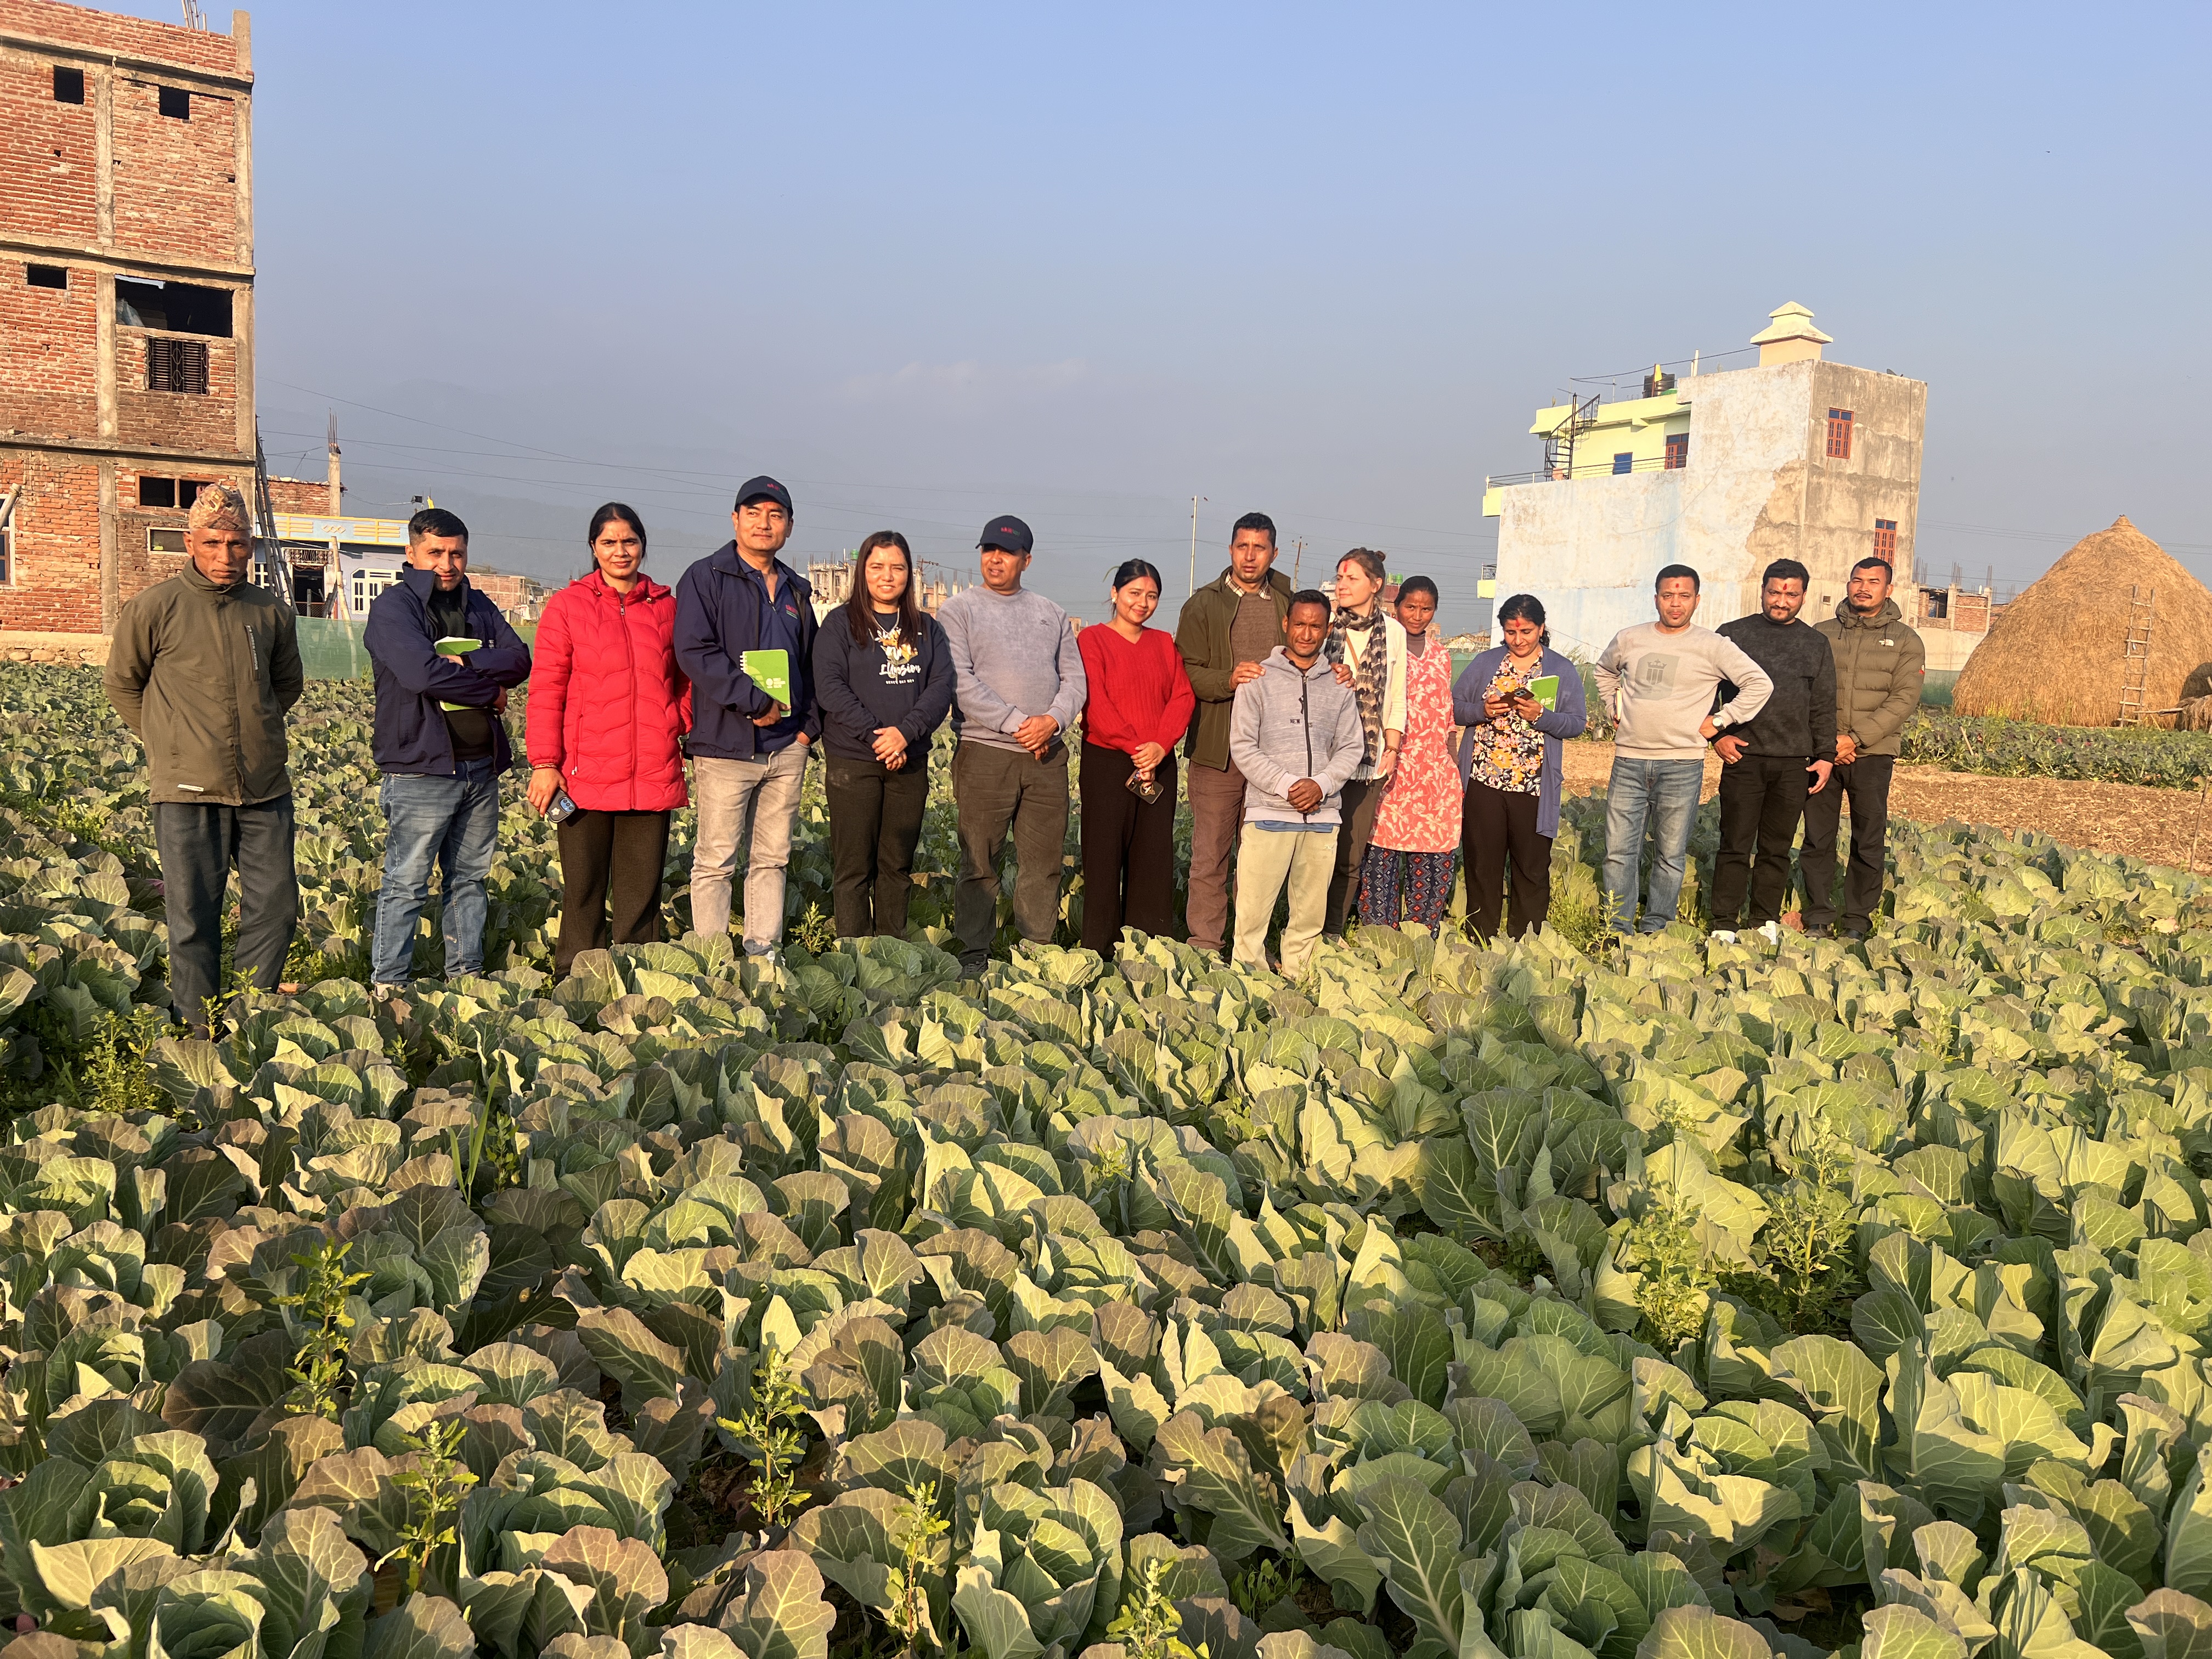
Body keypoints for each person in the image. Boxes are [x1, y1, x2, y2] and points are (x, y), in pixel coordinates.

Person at [105, 482, 303, 1031]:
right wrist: (169, 744)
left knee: (277, 908)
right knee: (193, 915)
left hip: (264, 787)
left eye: (237, 544)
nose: (225, 556)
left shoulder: (270, 611)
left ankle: (246, 1014)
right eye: (213, 542)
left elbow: (287, 686)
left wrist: (257, 733)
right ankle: (197, 1025)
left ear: (251, 545)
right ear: (190, 542)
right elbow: (124, 683)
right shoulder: (155, 607)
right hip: (187, 788)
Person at [364, 507, 534, 988]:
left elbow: (519, 660)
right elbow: (421, 674)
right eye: (435, 552)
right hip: (421, 768)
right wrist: (490, 689)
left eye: (456, 553)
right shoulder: (394, 608)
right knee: (406, 882)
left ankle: (466, 975)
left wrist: (467, 660)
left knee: (470, 880)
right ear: (412, 553)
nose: (447, 563)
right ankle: (391, 982)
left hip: (480, 768)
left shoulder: (478, 604)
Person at [525, 504, 690, 977]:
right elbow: (547, 689)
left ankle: (637, 990)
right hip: (583, 776)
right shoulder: (567, 607)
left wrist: (673, 722)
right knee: (583, 890)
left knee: (642, 895)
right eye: (609, 542)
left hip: (651, 772)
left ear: (643, 545)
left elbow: (685, 682)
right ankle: (576, 987)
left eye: (630, 541)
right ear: (593, 548)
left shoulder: (667, 607)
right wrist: (544, 762)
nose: (621, 551)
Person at [674, 476, 819, 956]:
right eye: (753, 513)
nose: (764, 523)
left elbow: (813, 662)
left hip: (786, 748)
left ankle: (763, 955)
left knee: (772, 860)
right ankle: (711, 962)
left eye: (775, 515)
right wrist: (754, 701)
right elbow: (695, 652)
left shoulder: (798, 590)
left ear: (790, 528)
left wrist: (807, 730)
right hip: (725, 744)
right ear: (735, 519)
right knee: (716, 859)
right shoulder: (705, 577)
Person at [936, 515, 1086, 975]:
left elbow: (1075, 680)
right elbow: (960, 682)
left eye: (1006, 552)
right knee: (979, 861)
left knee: (1043, 862)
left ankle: (1034, 955)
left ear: (1026, 560)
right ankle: (972, 956)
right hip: (986, 752)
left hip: (1046, 757)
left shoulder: (1051, 612)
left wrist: (1053, 721)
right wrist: (1022, 724)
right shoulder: (958, 611)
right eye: (988, 551)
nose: (995, 559)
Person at [1593, 565, 1773, 934]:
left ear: (1697, 600)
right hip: (1629, 760)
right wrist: (1614, 707)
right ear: (1656, 598)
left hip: (1682, 764)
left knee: (1670, 855)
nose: (1675, 604)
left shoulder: (1713, 645)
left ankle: (1656, 926)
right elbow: (1604, 672)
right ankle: (1616, 928)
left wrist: (1721, 721)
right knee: (1617, 853)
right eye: (1668, 596)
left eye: (1684, 596)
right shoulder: (1630, 638)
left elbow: (1759, 683)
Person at [812, 530, 954, 939]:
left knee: (897, 865)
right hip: (853, 762)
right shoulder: (840, 625)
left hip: (908, 762)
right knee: (854, 867)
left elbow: (940, 687)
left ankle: (889, 953)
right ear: (862, 572)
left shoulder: (927, 629)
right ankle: (854, 957)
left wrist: (905, 735)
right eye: (877, 567)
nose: (887, 576)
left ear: (910, 574)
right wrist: (878, 737)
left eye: (897, 568)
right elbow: (830, 687)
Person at [1229, 591, 1367, 978]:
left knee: (1309, 915)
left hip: (1322, 817)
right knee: (1252, 913)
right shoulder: (1258, 680)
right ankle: (1248, 982)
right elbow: (1242, 745)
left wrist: (1321, 785)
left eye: (1316, 626)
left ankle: (1298, 978)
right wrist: (1288, 784)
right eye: (1300, 624)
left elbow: (1351, 746)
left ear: (1327, 630)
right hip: (1269, 812)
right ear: (1286, 625)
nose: (1307, 633)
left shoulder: (1339, 685)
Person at [1174, 512, 1292, 958]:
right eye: (1242, 547)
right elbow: (1185, 674)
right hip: (1217, 749)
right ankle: (1205, 946)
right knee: (1210, 856)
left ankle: (1248, 946)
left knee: (1258, 859)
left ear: (1273, 554)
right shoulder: (1203, 604)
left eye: (1259, 548)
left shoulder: (1288, 602)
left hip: (1274, 752)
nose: (1249, 556)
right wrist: (1228, 680)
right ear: (1230, 550)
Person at [1802, 555, 1926, 939]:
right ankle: (1818, 917)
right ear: (1848, 584)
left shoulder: (1906, 640)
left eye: (1873, 581)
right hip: (1822, 753)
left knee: (1867, 838)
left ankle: (1857, 920)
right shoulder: (1819, 633)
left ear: (1888, 590)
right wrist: (1829, 742)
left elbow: (1903, 699)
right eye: (1857, 580)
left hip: (1873, 754)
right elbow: (1804, 689)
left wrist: (1853, 740)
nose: (1863, 587)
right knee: (1817, 837)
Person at [1711, 559, 1836, 933]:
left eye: (1791, 594)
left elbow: (1823, 704)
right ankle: (1723, 923)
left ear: (1803, 597)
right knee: (1735, 845)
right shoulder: (1732, 635)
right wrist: (1718, 735)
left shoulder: (1816, 644)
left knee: (1776, 849)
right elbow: (1706, 688)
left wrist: (1826, 756)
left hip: (1792, 763)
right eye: (1774, 592)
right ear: (1763, 591)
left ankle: (1763, 920)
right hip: (1744, 758)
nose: (1781, 600)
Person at [1453, 594, 1589, 940]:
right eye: (1511, 632)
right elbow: (1453, 707)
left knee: (1531, 867)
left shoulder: (1561, 669)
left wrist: (1543, 717)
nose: (1519, 640)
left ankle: (1525, 939)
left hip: (1534, 785)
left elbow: (1576, 723)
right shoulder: (1486, 664)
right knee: (1483, 864)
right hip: (1484, 780)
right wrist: (1482, 711)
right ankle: (1480, 936)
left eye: (1527, 631)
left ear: (1542, 629)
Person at [1077, 560, 1195, 952]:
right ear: (1115, 594)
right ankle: (1100, 948)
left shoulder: (1163, 643)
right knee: (1104, 856)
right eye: (1134, 593)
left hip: (1158, 763)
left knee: (1152, 859)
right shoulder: (1092, 640)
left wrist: (1160, 746)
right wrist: (1135, 748)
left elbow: (1182, 697)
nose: (1142, 603)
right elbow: (1096, 702)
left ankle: (1148, 947)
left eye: (1152, 596)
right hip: (1109, 762)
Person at [1359, 577, 1462, 934]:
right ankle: (1380, 940)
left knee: (1432, 858)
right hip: (1392, 769)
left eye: (1426, 608)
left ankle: (1420, 937)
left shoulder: (1441, 657)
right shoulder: (1381, 649)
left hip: (1434, 775)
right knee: (1382, 858)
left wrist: (1453, 770)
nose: (1417, 615)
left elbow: (1447, 720)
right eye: (1411, 607)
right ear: (1396, 606)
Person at [1322, 548, 1407, 934]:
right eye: (1340, 578)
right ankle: (1299, 929)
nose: (1342, 585)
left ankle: (1334, 930)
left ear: (1376, 585)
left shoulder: (1394, 633)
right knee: (1313, 849)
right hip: (1320, 754)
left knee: (1350, 852)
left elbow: (1397, 696)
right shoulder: (1323, 625)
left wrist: (1392, 747)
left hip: (1368, 757)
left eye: (1352, 578)